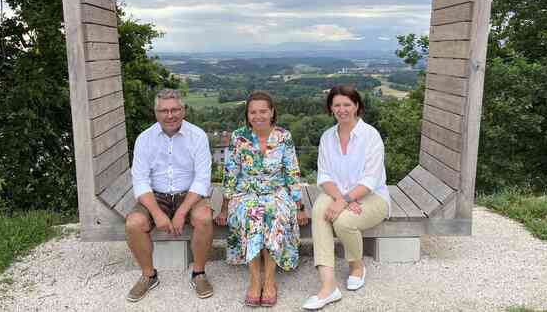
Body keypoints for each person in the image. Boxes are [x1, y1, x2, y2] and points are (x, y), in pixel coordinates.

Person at [215, 91, 308, 307]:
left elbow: (292, 174)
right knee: (252, 215)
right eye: (253, 112)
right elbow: (230, 174)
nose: (258, 116)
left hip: (276, 192)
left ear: (272, 112)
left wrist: (300, 206)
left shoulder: (284, 136)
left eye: (263, 111)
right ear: (247, 115)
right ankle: (254, 280)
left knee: (274, 214)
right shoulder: (239, 137)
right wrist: (224, 208)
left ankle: (269, 281)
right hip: (245, 193)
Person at [303, 85, 391, 310]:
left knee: (344, 221)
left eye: (347, 105)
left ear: (357, 106)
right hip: (336, 193)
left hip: (372, 197)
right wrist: (339, 198)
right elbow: (324, 175)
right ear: (331, 108)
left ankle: (356, 266)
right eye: (337, 105)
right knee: (319, 211)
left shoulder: (370, 136)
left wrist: (344, 202)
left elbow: (371, 180)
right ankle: (328, 286)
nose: (342, 110)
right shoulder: (327, 137)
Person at [124, 89, 214, 302]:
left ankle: (199, 273)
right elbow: (140, 181)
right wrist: (156, 213)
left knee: (204, 218)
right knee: (134, 223)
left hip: (189, 194)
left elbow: (202, 180)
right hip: (156, 196)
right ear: (156, 113)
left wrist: (182, 211)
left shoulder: (198, 136)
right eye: (163, 110)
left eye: (175, 109)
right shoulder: (144, 139)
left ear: (183, 110)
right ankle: (149, 275)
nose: (170, 115)